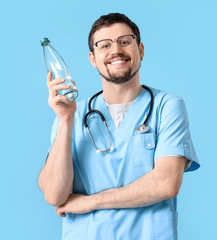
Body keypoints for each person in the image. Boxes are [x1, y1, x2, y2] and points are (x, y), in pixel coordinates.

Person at [38, 13, 200, 240]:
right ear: (93, 58)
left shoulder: (167, 106)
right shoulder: (71, 116)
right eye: (104, 45)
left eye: (124, 41)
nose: (116, 50)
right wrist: (66, 120)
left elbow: (166, 183)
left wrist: (90, 202)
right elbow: (55, 195)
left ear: (140, 50)